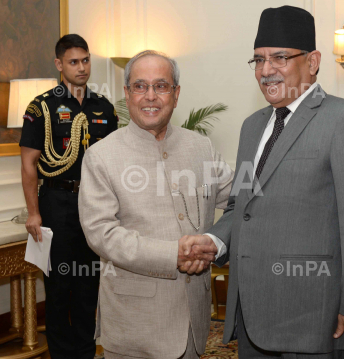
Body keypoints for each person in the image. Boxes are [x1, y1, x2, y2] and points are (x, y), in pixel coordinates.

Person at [185, 5, 344, 358]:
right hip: (251, 311)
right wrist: (215, 240)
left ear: (312, 62)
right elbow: (241, 206)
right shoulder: (252, 126)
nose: (265, 71)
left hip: (313, 316)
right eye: (258, 60)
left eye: (279, 57)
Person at [78, 50, 233, 359]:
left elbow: (241, 203)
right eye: (140, 86)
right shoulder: (101, 156)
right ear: (127, 93)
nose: (150, 96)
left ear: (175, 95)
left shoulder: (200, 147)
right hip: (135, 329)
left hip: (193, 324)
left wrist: (214, 243)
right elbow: (101, 234)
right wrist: (172, 254)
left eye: (161, 86)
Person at [19, 34, 118, 359]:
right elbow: (29, 164)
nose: (82, 67)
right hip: (57, 204)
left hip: (94, 206)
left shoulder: (103, 107)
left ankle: (86, 352)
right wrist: (34, 213)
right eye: (74, 62)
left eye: (86, 60)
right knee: (60, 286)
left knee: (89, 284)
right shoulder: (42, 107)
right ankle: (62, 354)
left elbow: (115, 162)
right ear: (60, 64)